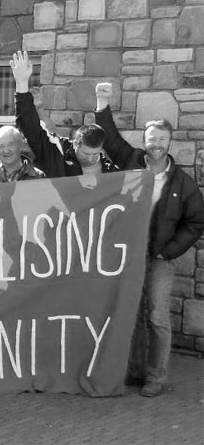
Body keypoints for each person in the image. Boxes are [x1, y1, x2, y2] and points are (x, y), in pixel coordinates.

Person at [94, 82, 204, 398]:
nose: (156, 145)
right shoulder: (131, 161)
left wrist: (168, 252)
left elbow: (195, 222)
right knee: (131, 311)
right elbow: (110, 139)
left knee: (156, 316)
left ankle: (156, 377)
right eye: (151, 140)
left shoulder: (182, 183)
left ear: (170, 143)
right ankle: (135, 371)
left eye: (162, 140)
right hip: (128, 255)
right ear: (145, 141)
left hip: (159, 258)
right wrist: (102, 102)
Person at [11, 51, 118, 178]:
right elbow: (31, 129)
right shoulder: (57, 152)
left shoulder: (110, 169)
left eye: (95, 154)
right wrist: (22, 83)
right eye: (85, 153)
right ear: (75, 143)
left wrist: (102, 101)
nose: (90, 159)